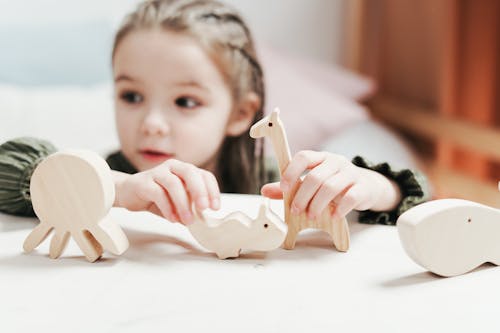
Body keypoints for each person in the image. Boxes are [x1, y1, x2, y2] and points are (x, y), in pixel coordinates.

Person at [0, 0, 428, 226]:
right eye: (131, 96)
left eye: (185, 102)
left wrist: (375, 188)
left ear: (240, 114)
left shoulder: (272, 183)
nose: (150, 122)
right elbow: (7, 169)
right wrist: (113, 189)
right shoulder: (108, 175)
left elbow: (420, 210)